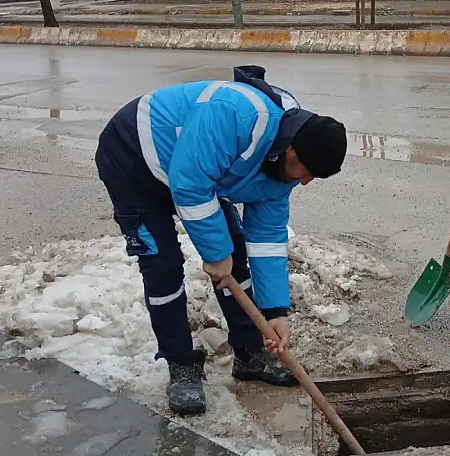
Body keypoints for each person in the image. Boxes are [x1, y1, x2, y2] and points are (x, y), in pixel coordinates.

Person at [94, 65, 348, 415]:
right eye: (306, 172)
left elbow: (268, 238)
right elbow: (189, 184)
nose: (304, 183)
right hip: (133, 157)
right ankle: (180, 363)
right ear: (290, 150)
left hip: (191, 172)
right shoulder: (234, 114)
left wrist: (276, 312)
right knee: (163, 264)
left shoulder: (285, 166)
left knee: (237, 251)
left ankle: (249, 351)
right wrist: (215, 253)